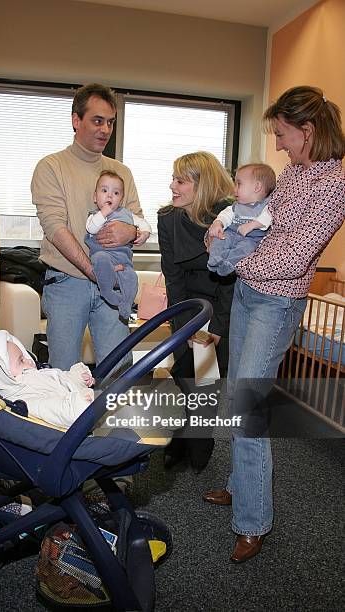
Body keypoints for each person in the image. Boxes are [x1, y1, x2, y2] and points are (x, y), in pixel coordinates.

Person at [202, 86, 345, 563]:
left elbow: (296, 253)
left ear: (308, 130)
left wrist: (233, 261)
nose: (278, 145)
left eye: (283, 134)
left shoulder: (335, 183)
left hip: (276, 302)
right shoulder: (294, 170)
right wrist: (226, 227)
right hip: (248, 293)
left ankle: (254, 520)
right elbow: (267, 220)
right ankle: (240, 488)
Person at [31, 83, 149, 373]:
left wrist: (131, 233)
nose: (105, 130)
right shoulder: (51, 167)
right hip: (66, 284)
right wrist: (93, 271)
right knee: (63, 375)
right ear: (76, 120)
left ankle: (113, 421)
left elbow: (140, 224)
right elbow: (55, 227)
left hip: (115, 283)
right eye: (97, 120)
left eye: (110, 122)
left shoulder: (122, 172)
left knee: (118, 371)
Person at [157, 151, 236, 473]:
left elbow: (231, 280)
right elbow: (172, 275)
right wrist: (180, 326)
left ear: (201, 186)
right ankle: (183, 437)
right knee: (182, 376)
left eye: (180, 180)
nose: (172, 185)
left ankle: (199, 441)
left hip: (221, 305)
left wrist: (215, 326)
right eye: (173, 178)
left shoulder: (228, 219)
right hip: (187, 305)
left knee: (203, 380)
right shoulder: (168, 219)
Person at [0, 330, 95, 429]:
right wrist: (82, 402)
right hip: (86, 412)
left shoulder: (32, 377)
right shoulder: (23, 400)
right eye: (21, 360)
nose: (30, 361)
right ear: (3, 375)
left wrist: (79, 377)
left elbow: (60, 380)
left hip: (88, 400)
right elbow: (59, 410)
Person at [85, 170, 152, 320]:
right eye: (104, 191)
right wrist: (104, 213)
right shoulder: (94, 216)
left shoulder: (127, 214)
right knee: (100, 260)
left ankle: (126, 303)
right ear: (95, 197)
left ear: (121, 199)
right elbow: (91, 229)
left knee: (131, 278)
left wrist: (145, 233)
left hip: (123, 260)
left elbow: (143, 224)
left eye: (116, 193)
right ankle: (107, 291)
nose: (109, 196)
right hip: (103, 256)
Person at [207, 163, 276, 276]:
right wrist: (218, 223)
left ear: (257, 187)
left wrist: (252, 225)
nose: (234, 189)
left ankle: (228, 265)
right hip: (231, 233)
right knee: (219, 240)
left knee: (245, 250)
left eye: (239, 184)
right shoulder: (236, 205)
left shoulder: (266, 206)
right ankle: (215, 259)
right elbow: (226, 215)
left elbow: (267, 218)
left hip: (251, 239)